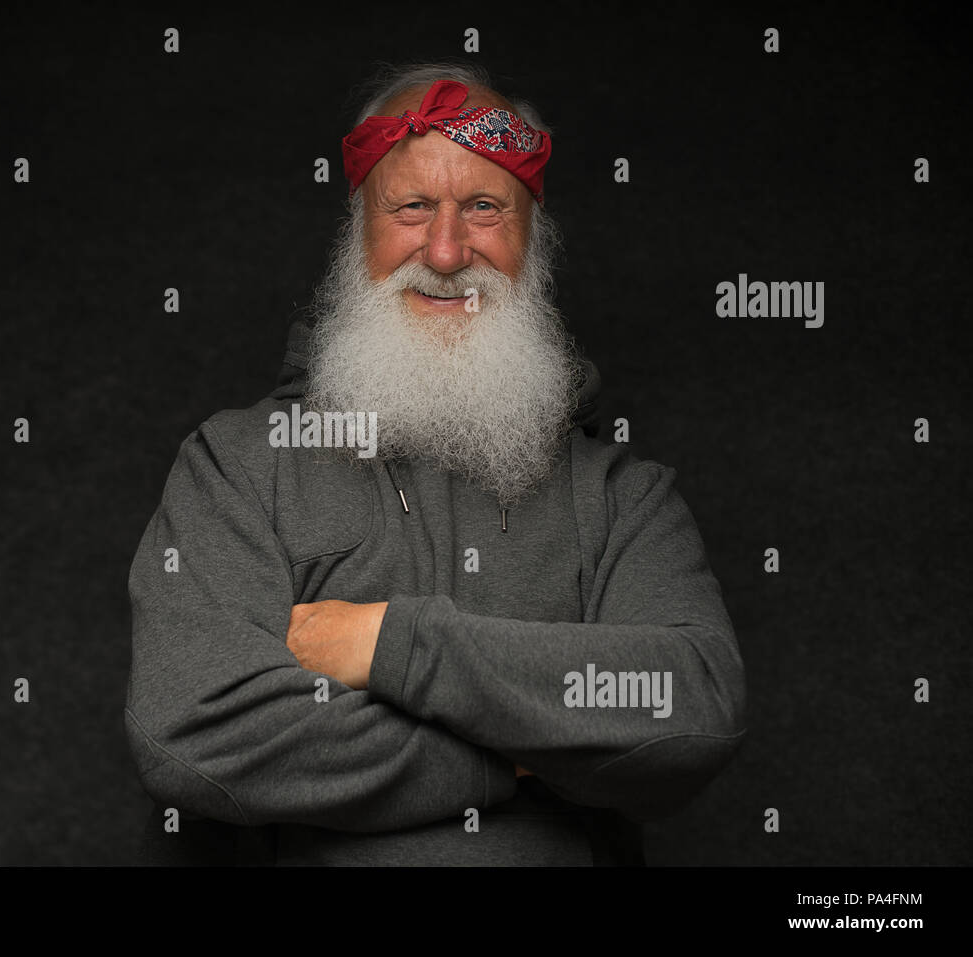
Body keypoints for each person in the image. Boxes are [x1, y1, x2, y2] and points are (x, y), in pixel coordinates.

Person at [124, 61, 747, 865]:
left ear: (533, 240)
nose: (447, 251)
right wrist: (527, 749)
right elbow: (190, 729)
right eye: (412, 207)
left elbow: (690, 704)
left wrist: (389, 642)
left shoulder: (623, 496)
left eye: (485, 208)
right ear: (361, 233)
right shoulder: (237, 465)